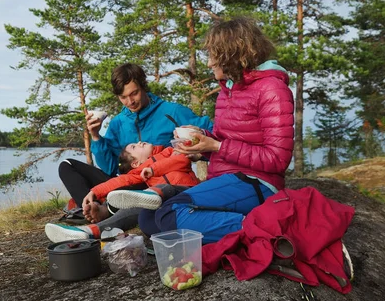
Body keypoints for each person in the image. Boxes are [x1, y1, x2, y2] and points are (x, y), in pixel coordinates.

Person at [107, 17, 295, 244]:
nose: (208, 63)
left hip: (257, 182)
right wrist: (202, 142)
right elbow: (226, 140)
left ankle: (265, 232)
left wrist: (217, 146)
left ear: (232, 53)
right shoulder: (228, 90)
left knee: (170, 215)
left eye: (213, 55)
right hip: (224, 178)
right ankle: (233, 222)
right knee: (149, 218)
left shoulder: (272, 89)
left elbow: (277, 160)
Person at [57, 63, 213, 225]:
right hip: (124, 183)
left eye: (134, 93)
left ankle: (104, 212)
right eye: (123, 97)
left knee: (136, 185)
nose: (130, 101)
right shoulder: (118, 123)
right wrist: (96, 136)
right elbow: (109, 169)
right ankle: (90, 209)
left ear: (143, 86)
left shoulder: (171, 112)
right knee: (67, 165)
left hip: (154, 186)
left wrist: (198, 138)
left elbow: (213, 136)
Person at [45, 142, 200, 242]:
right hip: (164, 203)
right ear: (136, 163)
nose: (139, 142)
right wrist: (95, 191)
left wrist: (153, 169)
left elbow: (182, 160)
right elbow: (121, 180)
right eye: (134, 147)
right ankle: (88, 232)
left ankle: (146, 196)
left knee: (161, 190)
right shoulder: (140, 172)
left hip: (188, 192)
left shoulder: (167, 151)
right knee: (138, 205)